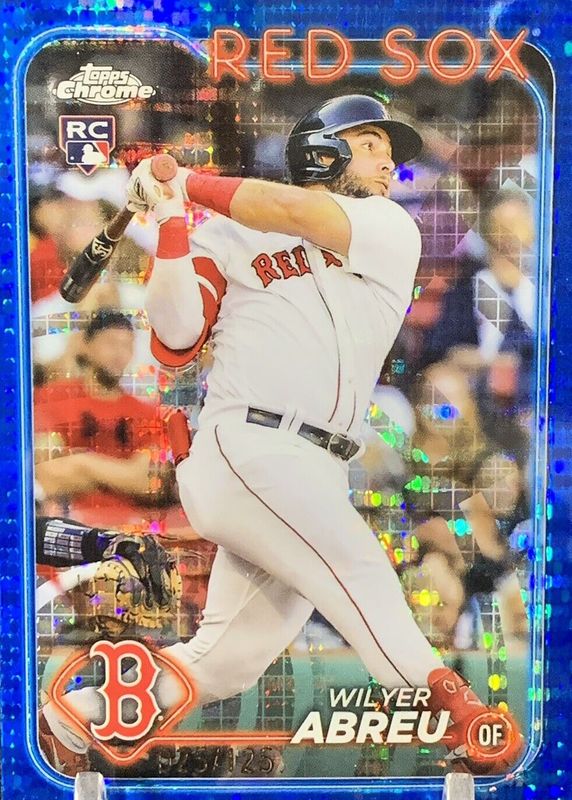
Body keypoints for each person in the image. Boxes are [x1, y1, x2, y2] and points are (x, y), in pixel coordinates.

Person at [40, 95, 522, 776]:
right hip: (248, 444)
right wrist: (173, 221)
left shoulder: (388, 225)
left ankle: (77, 714)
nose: (389, 163)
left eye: (390, 152)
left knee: (225, 661)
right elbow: (176, 337)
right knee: (359, 569)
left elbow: (291, 212)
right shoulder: (229, 235)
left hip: (316, 468)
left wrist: (184, 183)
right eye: (371, 145)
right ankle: (462, 717)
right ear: (322, 150)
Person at [34, 308, 175, 529]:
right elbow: (49, 477)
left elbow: (150, 483)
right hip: (68, 528)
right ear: (86, 345)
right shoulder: (52, 398)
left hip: (130, 533)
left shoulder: (147, 414)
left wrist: (81, 462)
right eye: (111, 343)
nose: (119, 354)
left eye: (127, 346)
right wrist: (125, 474)